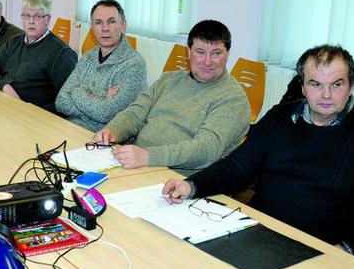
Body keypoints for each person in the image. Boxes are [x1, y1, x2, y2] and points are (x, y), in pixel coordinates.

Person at [162, 44, 354, 254]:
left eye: (337, 85)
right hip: (259, 232)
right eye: (316, 84)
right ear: (303, 87)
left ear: (350, 87)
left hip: (321, 248)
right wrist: (192, 185)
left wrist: (346, 248)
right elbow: (237, 166)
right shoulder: (279, 118)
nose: (326, 94)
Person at [94, 20, 250, 173]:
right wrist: (113, 130)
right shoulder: (168, 80)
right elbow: (135, 113)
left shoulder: (233, 99)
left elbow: (206, 150)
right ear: (189, 52)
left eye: (216, 53)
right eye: (200, 52)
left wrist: (148, 156)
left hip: (178, 181)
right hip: (137, 164)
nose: (207, 61)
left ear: (227, 54)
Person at [55, 0, 147, 131]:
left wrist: (77, 92)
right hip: (72, 129)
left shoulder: (134, 64)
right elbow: (61, 102)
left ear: (123, 25)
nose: (105, 28)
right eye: (98, 22)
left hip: (105, 142)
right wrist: (100, 100)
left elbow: (106, 114)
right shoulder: (88, 57)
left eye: (111, 21)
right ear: (92, 28)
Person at [0, 0, 77, 113]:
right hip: (6, 107)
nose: (31, 21)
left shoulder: (62, 53)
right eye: (26, 16)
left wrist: (29, 111)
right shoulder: (14, 42)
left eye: (37, 17)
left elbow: (65, 102)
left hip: (35, 117)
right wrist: (4, 86)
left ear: (48, 19)